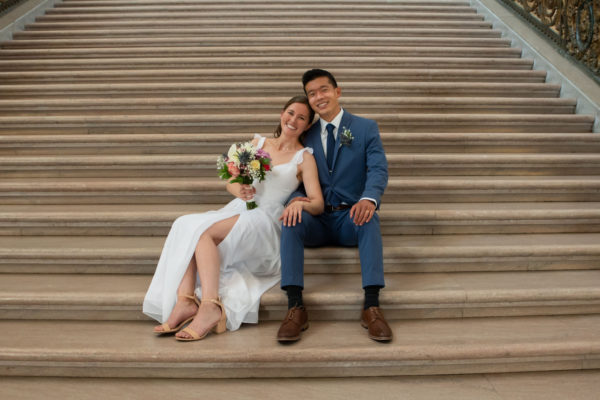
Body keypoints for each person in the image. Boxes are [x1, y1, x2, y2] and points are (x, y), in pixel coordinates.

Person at [143, 96, 323, 341]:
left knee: (205, 234)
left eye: (301, 118)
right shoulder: (258, 143)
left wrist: (298, 204)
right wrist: (239, 189)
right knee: (184, 224)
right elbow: (231, 180)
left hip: (267, 218)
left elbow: (318, 202)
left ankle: (210, 306)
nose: (293, 120)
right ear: (282, 113)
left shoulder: (304, 157)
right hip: (242, 206)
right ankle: (185, 300)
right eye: (290, 113)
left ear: (307, 126)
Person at [277, 69, 392, 342]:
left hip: (349, 217)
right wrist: (294, 200)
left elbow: (378, 169)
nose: (319, 97)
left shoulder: (365, 128)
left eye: (323, 90)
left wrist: (369, 198)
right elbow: (293, 173)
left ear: (337, 92)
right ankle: (295, 307)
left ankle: (372, 306)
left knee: (370, 217)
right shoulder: (307, 133)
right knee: (291, 220)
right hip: (316, 219)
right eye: (312, 94)